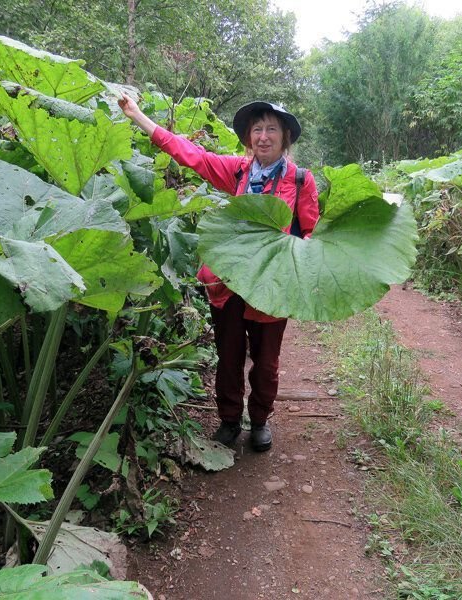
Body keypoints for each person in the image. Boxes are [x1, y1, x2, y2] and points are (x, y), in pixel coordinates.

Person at [118, 94, 319, 452]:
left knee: (266, 362)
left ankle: (259, 420)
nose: (263, 136)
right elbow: (190, 155)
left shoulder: (301, 181)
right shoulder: (237, 171)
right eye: (257, 129)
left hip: (272, 288)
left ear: (285, 137)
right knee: (228, 356)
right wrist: (138, 117)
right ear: (248, 138)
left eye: (272, 129)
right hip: (227, 283)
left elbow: (309, 234)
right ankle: (229, 419)